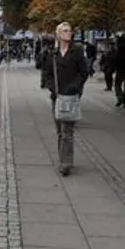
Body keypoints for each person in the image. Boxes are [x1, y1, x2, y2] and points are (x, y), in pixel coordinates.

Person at [44, 22, 88, 176]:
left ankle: (66, 164)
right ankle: (63, 158)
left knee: (67, 131)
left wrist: (75, 86)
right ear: (58, 34)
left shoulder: (77, 52)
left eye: (69, 31)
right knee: (59, 131)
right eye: (64, 31)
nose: (68, 33)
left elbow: (84, 72)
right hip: (57, 96)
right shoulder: (53, 54)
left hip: (70, 96)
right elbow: (47, 74)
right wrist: (52, 88)